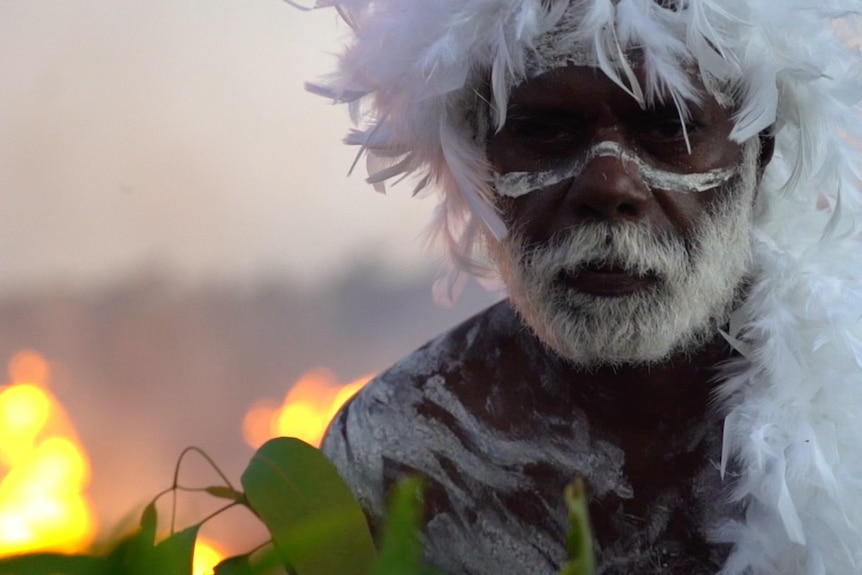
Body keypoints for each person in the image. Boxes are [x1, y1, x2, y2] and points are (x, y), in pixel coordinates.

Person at [307, 1, 862, 573]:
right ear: (479, 159)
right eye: (547, 132)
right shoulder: (398, 451)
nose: (608, 183)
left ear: (758, 153)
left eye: (669, 126)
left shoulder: (850, 409)